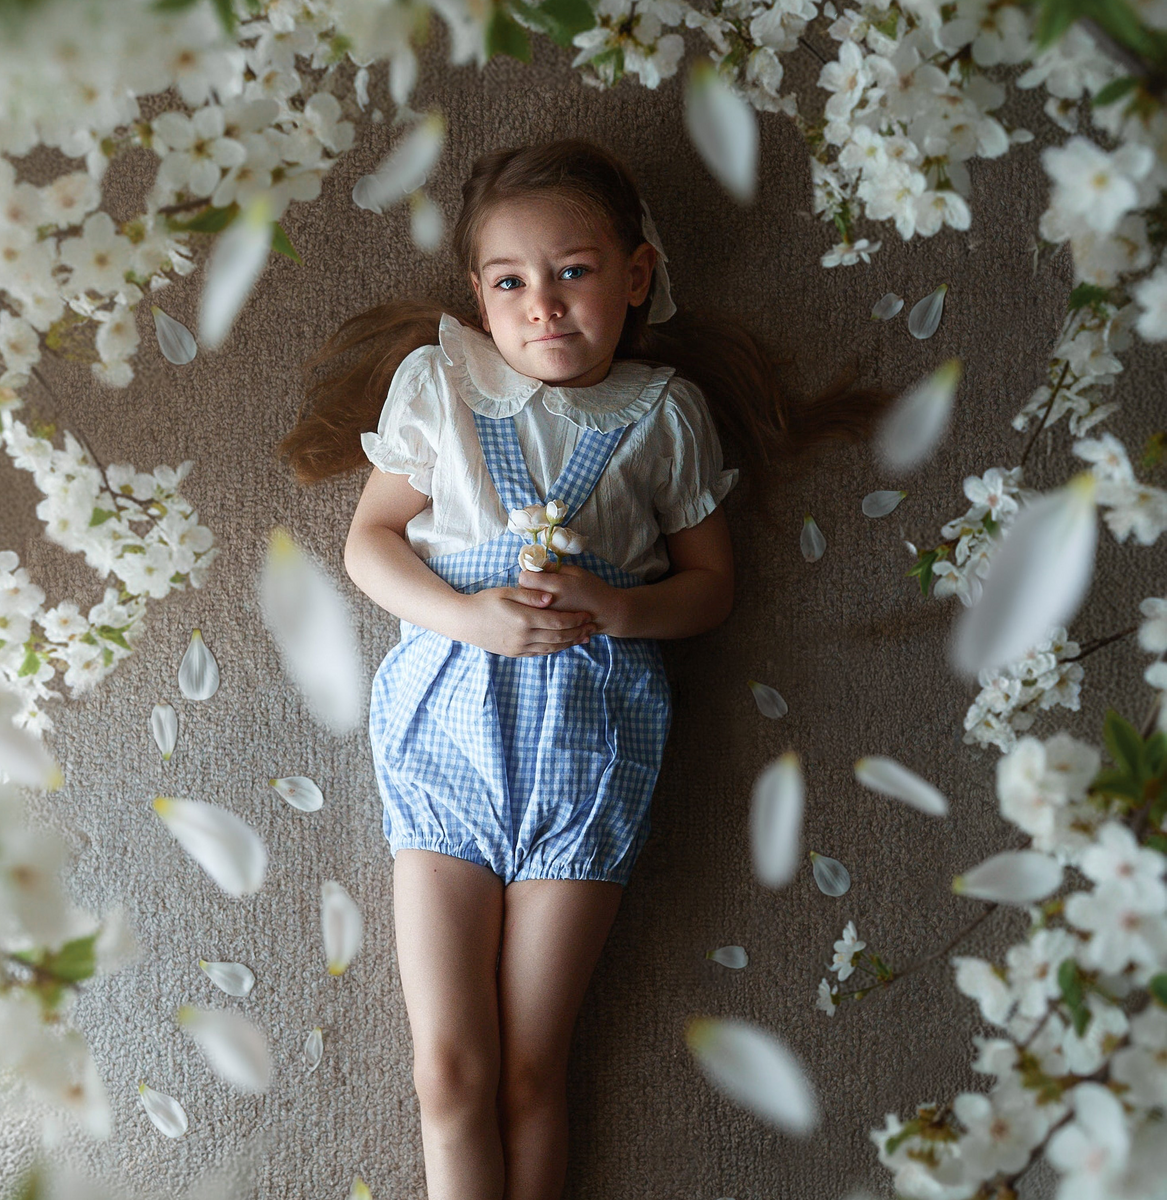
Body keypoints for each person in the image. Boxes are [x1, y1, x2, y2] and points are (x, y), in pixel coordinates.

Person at [277, 137, 899, 1200]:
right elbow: (367, 547)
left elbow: (711, 587)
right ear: (478, 295)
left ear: (636, 275)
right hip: (444, 752)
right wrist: (473, 618)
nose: (545, 305)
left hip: (590, 757)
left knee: (529, 1067)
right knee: (450, 1072)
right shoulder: (441, 384)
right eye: (512, 281)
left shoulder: (665, 415)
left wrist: (617, 604)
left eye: (573, 271)